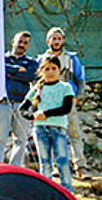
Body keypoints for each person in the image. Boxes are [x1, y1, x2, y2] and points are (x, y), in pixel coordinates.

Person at [21, 55, 74, 192]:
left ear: (60, 70)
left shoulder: (65, 87)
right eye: (46, 69)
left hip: (58, 128)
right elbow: (22, 109)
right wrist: (33, 115)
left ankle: (68, 191)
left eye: (53, 69)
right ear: (40, 71)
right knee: (45, 162)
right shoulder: (37, 89)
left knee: (62, 161)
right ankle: (47, 192)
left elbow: (66, 108)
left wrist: (46, 114)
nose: (50, 72)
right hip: (40, 129)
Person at [38, 27, 86, 178]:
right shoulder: (41, 59)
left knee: (74, 133)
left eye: (59, 38)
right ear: (48, 41)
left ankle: (80, 166)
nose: (57, 41)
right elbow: (36, 81)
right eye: (54, 38)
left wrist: (77, 95)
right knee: (52, 134)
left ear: (63, 40)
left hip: (67, 100)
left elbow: (80, 78)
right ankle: (56, 166)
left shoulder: (71, 59)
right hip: (49, 102)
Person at [0, 31, 38, 165]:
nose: (22, 45)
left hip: (23, 104)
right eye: (20, 41)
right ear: (13, 42)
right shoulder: (1, 58)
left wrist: (10, 73)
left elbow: (31, 76)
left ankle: (15, 167)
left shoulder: (32, 62)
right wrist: (18, 70)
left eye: (25, 43)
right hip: (3, 102)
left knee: (21, 139)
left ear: (28, 46)